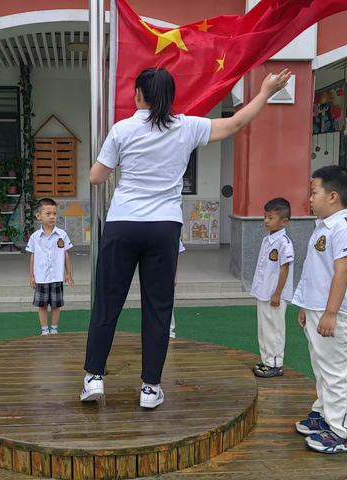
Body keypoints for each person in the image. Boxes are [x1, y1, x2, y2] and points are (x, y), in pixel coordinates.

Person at [81, 66, 291, 409]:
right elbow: (236, 124)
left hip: (123, 224)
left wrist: (112, 161)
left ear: (138, 95)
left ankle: (93, 379)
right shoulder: (188, 126)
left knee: (108, 302)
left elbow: (95, 177)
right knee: (158, 307)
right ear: (170, 97)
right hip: (164, 227)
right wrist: (265, 93)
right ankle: (150, 388)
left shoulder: (122, 129)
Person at [292, 166, 347, 454]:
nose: (309, 198)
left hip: (332, 313)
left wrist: (330, 313)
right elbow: (314, 271)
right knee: (321, 368)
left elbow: (342, 272)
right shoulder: (323, 227)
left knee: (336, 371)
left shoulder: (343, 226)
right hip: (316, 309)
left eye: (314, 193)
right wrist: (305, 304)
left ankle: (340, 431)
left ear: (333, 196)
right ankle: (325, 414)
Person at [251, 198, 294, 378]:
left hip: (275, 295)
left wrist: (277, 293)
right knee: (264, 328)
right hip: (264, 292)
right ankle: (267, 360)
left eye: (270, 217)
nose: (266, 221)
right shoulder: (267, 239)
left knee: (275, 328)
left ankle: (276, 364)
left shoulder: (284, 242)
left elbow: (285, 268)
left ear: (284, 221)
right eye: (265, 217)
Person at [26, 198, 74, 335]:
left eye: (54, 213)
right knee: (42, 306)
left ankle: (54, 329)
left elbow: (65, 254)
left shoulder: (62, 235)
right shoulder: (35, 237)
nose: (52, 216)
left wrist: (68, 274)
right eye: (48, 214)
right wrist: (32, 276)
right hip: (41, 277)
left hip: (56, 277)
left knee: (56, 305)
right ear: (39, 216)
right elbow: (32, 256)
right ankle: (44, 330)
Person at [170, 239, 185, 340]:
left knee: (167, 303)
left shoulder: (171, 227)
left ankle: (170, 331)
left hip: (166, 271)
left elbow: (176, 253)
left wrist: (175, 275)